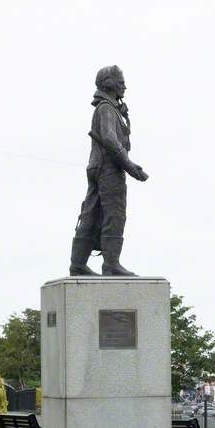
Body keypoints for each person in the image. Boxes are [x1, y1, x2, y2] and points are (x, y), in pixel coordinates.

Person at [69, 65, 149, 276]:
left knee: (91, 213)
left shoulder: (108, 107)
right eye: (121, 82)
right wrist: (129, 166)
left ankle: (78, 264)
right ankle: (111, 264)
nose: (125, 86)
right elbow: (109, 139)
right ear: (109, 83)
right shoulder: (106, 108)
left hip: (97, 166)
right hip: (108, 168)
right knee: (114, 214)